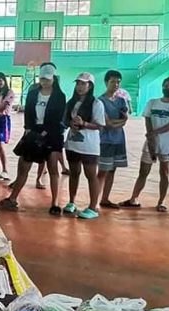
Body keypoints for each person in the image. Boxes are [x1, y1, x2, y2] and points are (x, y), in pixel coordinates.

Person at [0, 62, 67, 214]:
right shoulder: (33, 93)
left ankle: (55, 203)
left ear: (53, 79)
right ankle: (13, 198)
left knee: (53, 168)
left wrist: (45, 133)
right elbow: (28, 114)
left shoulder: (59, 96)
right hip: (33, 132)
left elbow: (57, 119)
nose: (44, 82)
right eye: (42, 79)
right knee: (23, 166)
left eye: (47, 79)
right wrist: (29, 130)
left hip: (52, 135)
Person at [120, 77, 169, 212]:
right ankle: (133, 199)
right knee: (143, 172)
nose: (168, 88)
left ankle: (161, 202)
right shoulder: (152, 102)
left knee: (164, 173)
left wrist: (154, 133)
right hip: (150, 142)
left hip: (167, 144)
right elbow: (148, 119)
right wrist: (151, 138)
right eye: (166, 86)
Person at [63, 72, 106, 219]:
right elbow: (66, 120)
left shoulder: (96, 104)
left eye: (83, 84)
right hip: (72, 143)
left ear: (90, 86)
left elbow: (100, 125)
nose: (80, 87)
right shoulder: (72, 102)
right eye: (78, 83)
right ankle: (71, 202)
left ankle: (93, 207)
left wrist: (84, 124)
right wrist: (71, 124)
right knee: (74, 173)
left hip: (89, 146)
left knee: (90, 175)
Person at [97, 70, 129, 209]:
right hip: (105, 140)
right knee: (102, 171)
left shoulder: (122, 101)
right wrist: (119, 122)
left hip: (119, 140)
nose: (116, 84)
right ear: (106, 82)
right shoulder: (100, 101)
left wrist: (119, 122)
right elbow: (107, 123)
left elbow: (124, 120)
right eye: (112, 81)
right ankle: (95, 200)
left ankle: (105, 199)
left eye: (118, 82)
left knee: (112, 170)